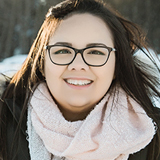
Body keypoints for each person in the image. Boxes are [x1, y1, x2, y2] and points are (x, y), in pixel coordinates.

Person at [0, 0, 160, 159]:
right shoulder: (3, 124)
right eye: (63, 51)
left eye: (96, 52)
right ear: (42, 62)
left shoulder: (154, 137)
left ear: (117, 66)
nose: (78, 65)